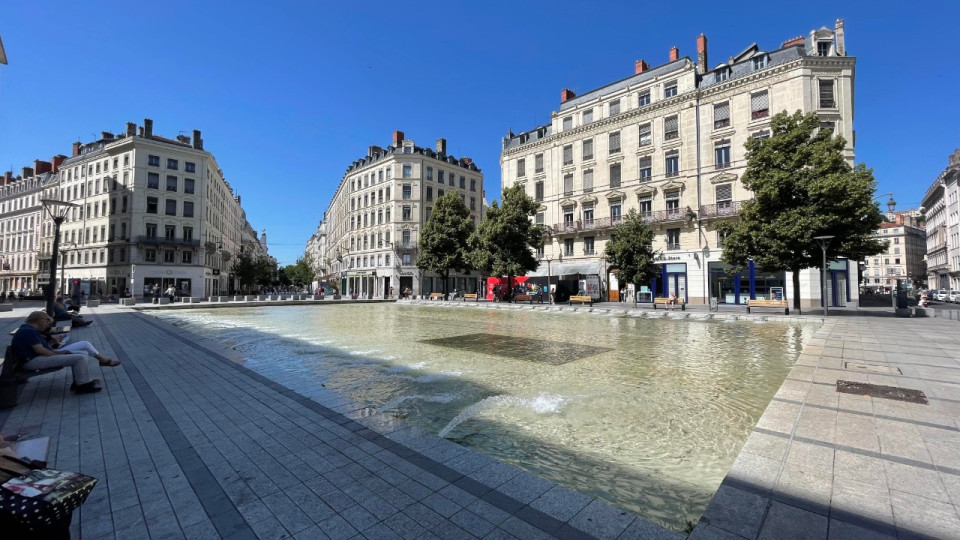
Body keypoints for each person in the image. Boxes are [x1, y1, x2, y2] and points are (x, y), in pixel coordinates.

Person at [11, 312, 102, 394]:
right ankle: (83, 386)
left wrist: (59, 352)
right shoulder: (28, 331)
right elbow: (40, 350)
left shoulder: (28, 329)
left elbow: (41, 349)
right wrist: (58, 354)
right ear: (39, 320)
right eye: (46, 321)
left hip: (35, 357)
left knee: (83, 353)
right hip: (32, 361)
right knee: (79, 358)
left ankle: (80, 380)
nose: (47, 324)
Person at [46, 332, 121, 367]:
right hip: (51, 353)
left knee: (85, 346)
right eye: (46, 320)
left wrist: (55, 343)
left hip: (52, 350)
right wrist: (51, 343)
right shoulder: (37, 334)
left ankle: (102, 360)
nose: (47, 323)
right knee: (85, 344)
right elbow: (42, 349)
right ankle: (103, 360)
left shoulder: (40, 332)